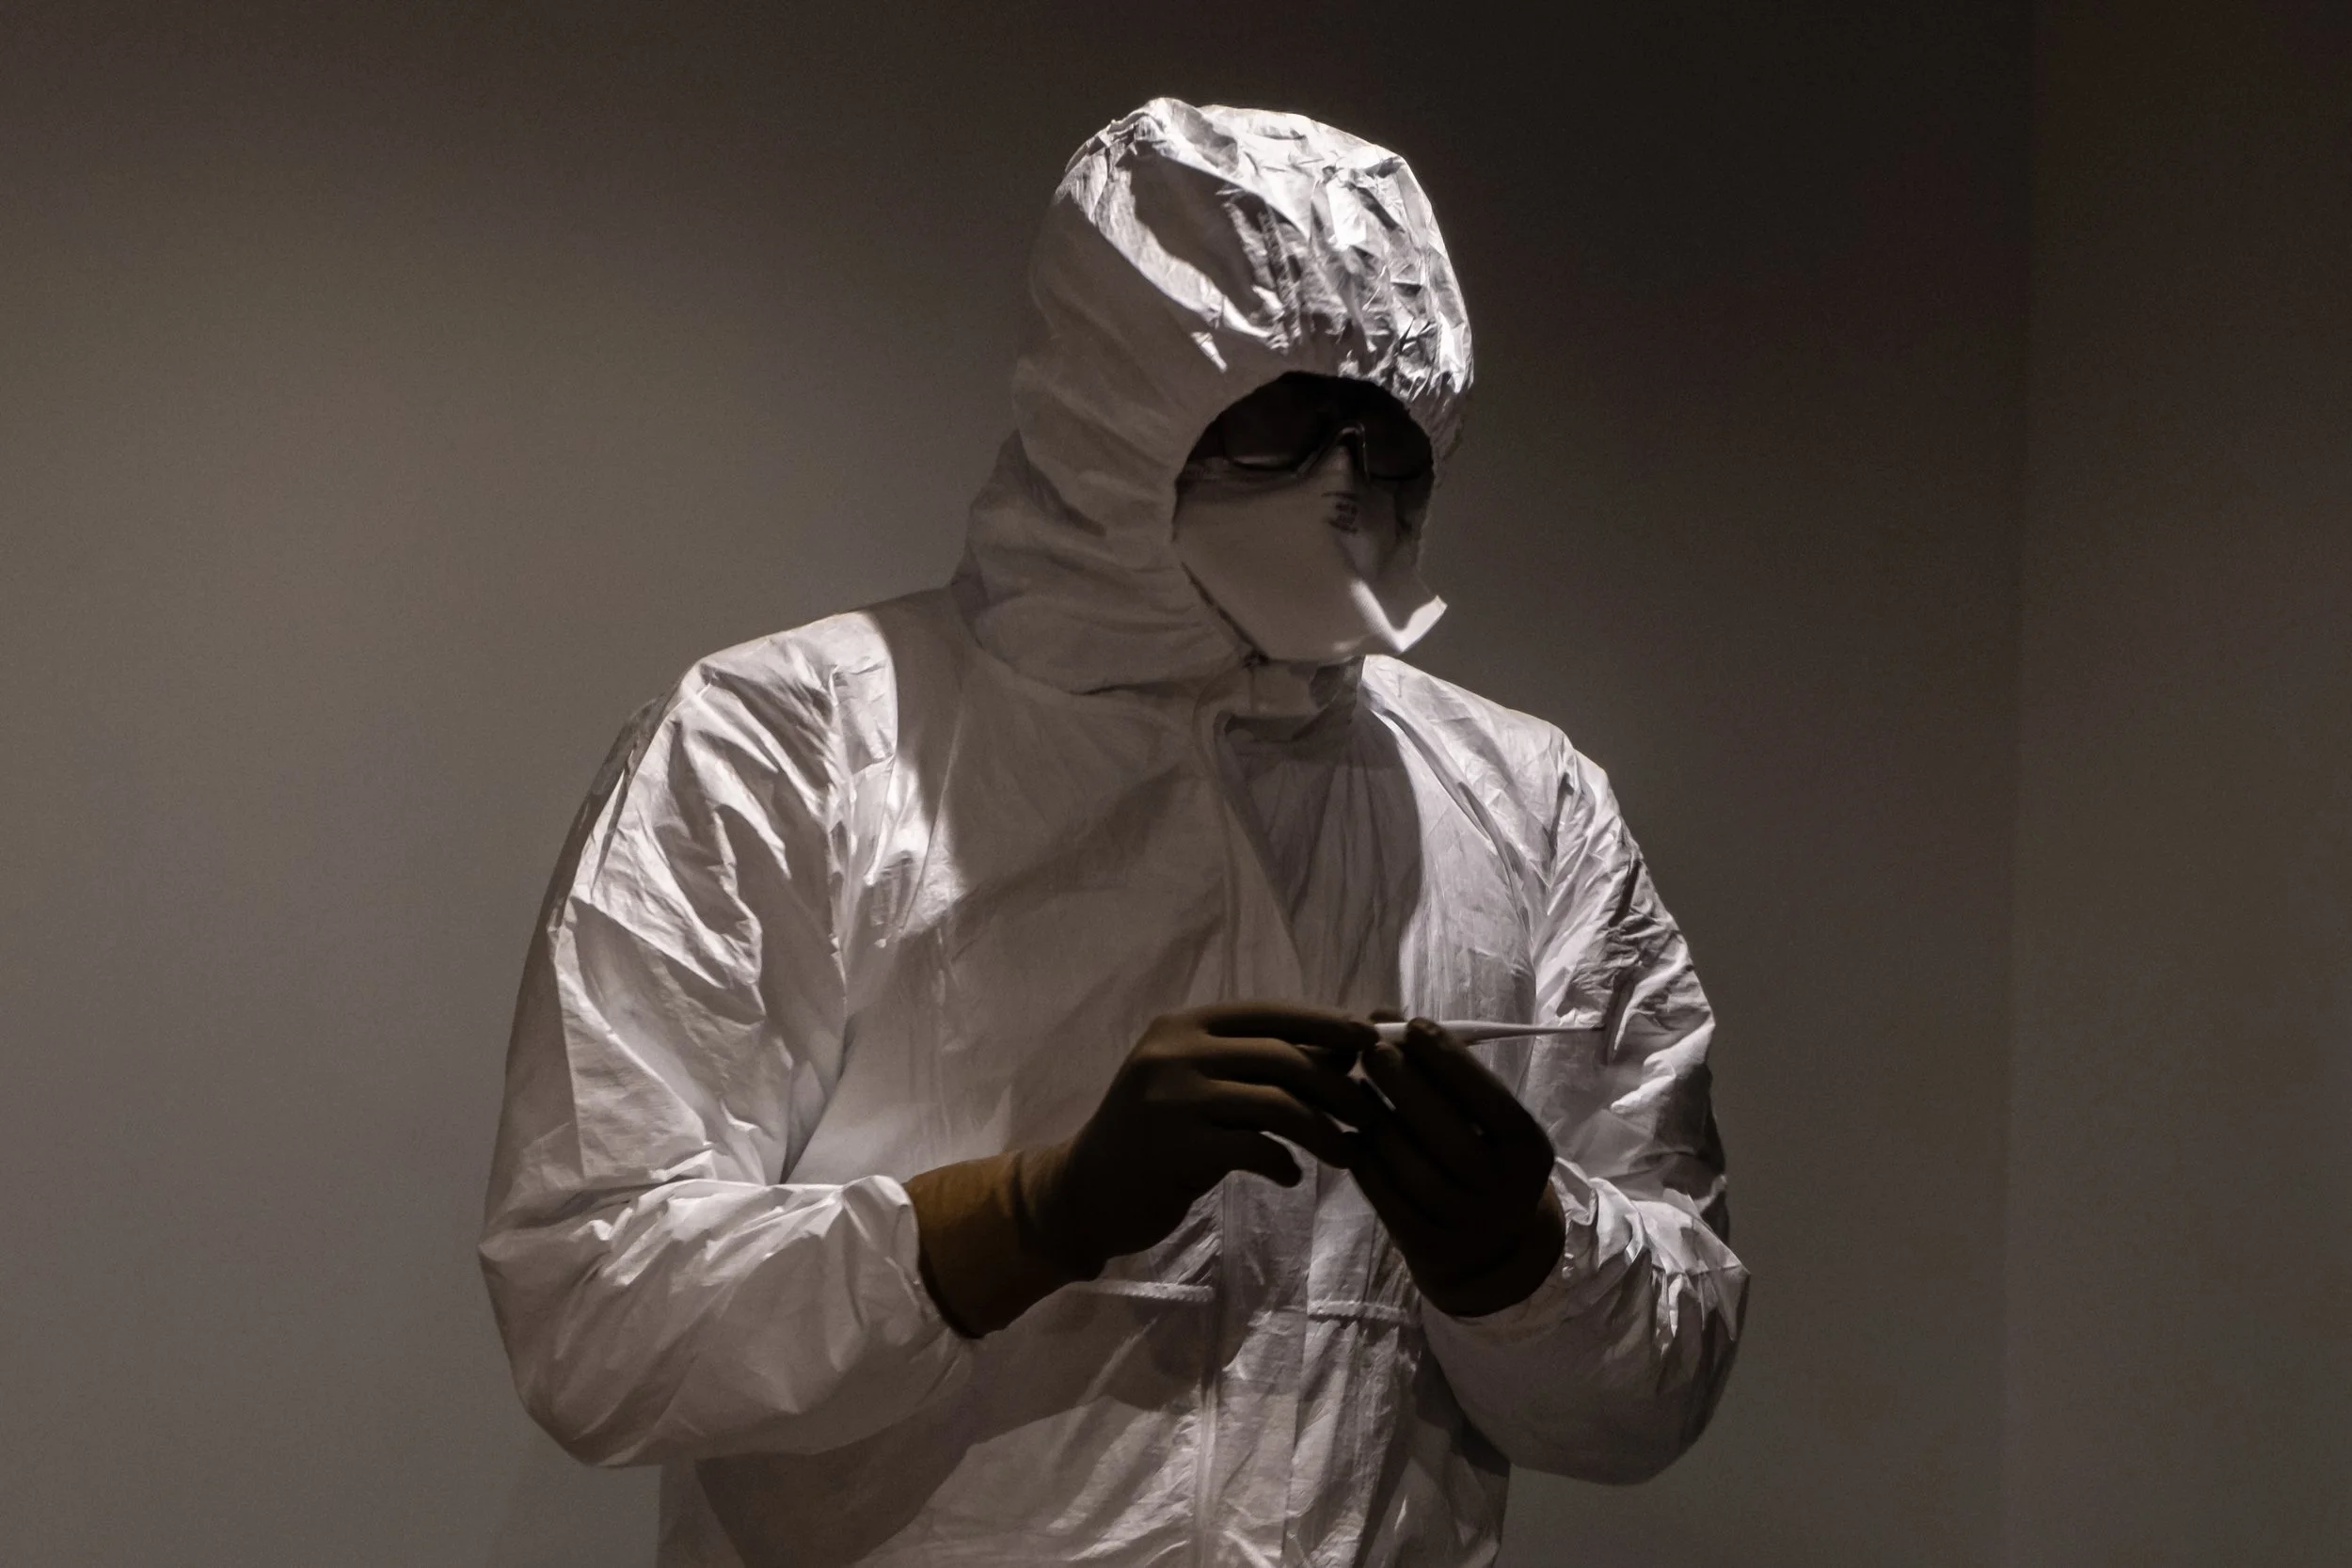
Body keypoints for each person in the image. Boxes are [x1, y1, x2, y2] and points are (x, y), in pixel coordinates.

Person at [481, 98, 1747, 1568]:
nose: (1345, 486)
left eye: (1385, 431)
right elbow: (593, 1308)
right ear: (1123, 399)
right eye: (1280, 418)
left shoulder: (1525, 808)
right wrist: (1027, 1213)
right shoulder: (788, 749)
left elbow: (1657, 1387)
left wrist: (1525, 1254)